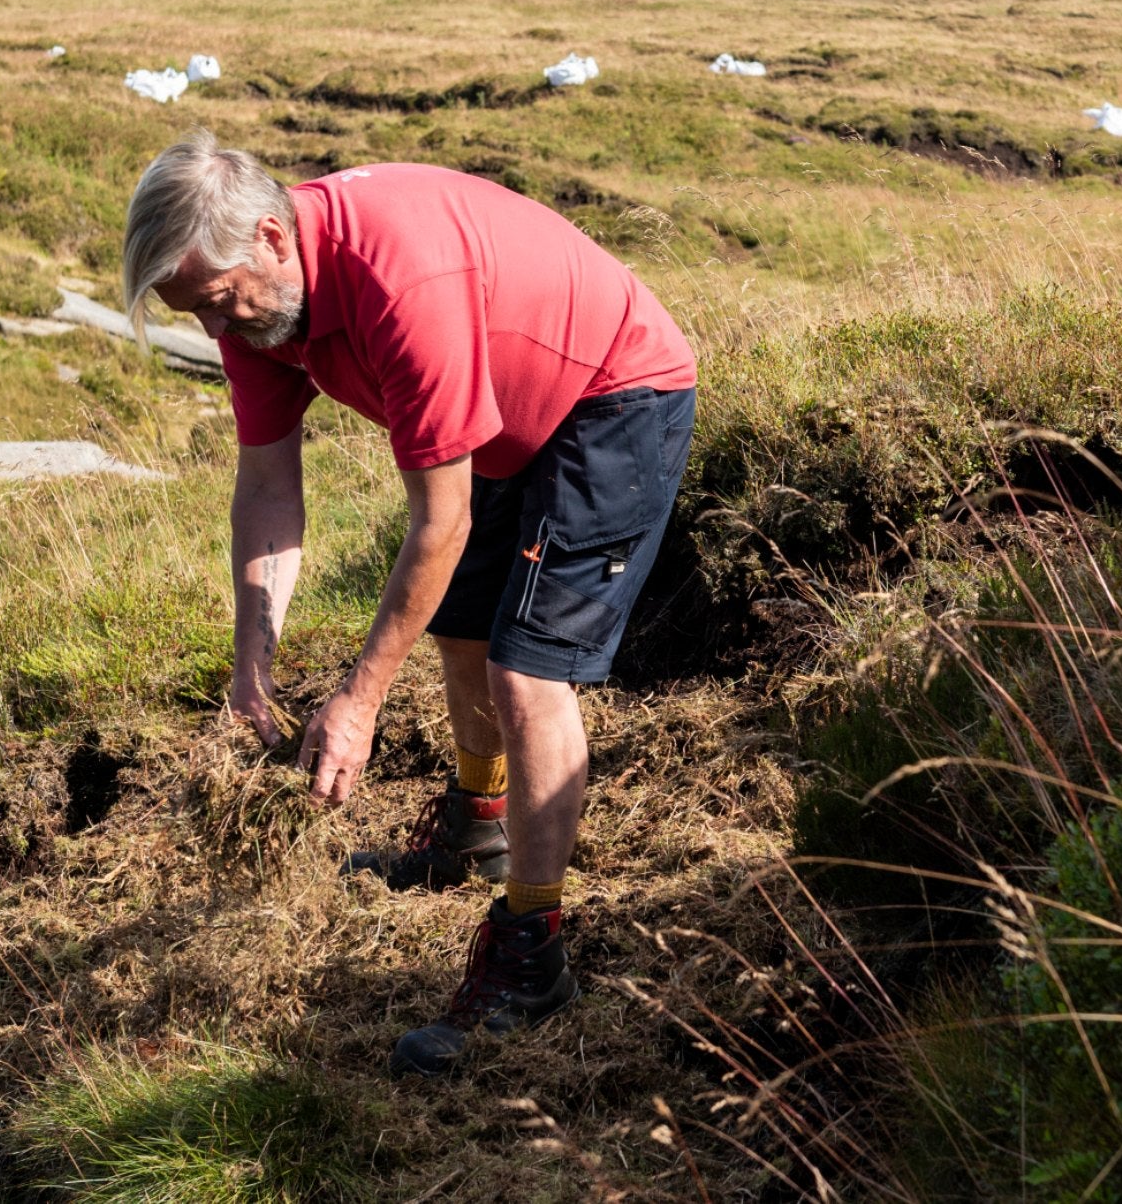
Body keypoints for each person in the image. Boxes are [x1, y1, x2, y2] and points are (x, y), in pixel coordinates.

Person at [119, 136, 697, 1077]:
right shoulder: (259, 311)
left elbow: (441, 522)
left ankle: (533, 952)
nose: (218, 330)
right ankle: (480, 822)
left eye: (218, 303)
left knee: (528, 669)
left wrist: (358, 698)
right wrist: (250, 664)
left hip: (615, 392)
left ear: (270, 236)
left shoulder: (396, 283)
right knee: (462, 625)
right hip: (503, 419)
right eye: (197, 315)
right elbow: (269, 487)